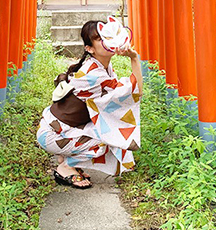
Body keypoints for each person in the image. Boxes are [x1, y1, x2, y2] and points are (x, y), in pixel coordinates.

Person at [36, 20, 143, 189]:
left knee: (109, 131)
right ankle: (66, 166)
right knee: (109, 141)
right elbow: (135, 91)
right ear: (89, 49)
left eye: (107, 36)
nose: (107, 41)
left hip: (59, 128)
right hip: (53, 134)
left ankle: (66, 157)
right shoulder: (95, 74)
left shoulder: (101, 67)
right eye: (100, 39)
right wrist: (134, 58)